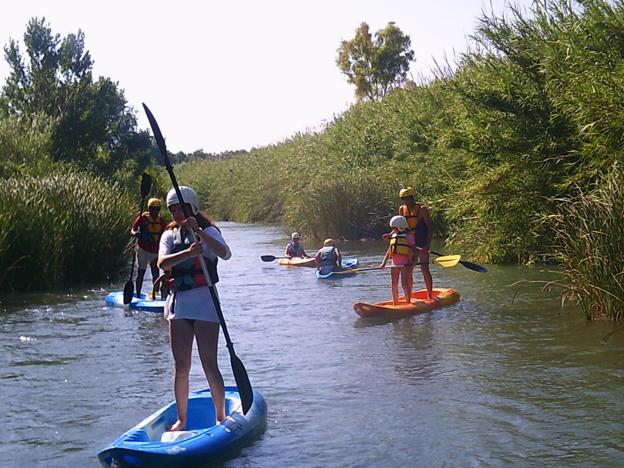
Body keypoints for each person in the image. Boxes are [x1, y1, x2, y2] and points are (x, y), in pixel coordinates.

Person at [158, 186, 232, 431]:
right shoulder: (169, 236)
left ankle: (220, 417)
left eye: (180, 207)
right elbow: (162, 262)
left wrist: (199, 233)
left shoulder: (208, 231)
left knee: (209, 363)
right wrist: (189, 253)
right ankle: (182, 419)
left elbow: (225, 253)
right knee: (182, 366)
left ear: (191, 208)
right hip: (179, 306)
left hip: (205, 304)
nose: (176, 212)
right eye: (173, 209)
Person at [398, 187, 436, 300]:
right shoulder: (401, 209)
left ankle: (430, 295)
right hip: (410, 243)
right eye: (403, 199)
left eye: (408, 198)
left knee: (424, 268)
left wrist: (427, 246)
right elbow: (400, 228)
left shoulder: (422, 209)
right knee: (409, 269)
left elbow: (430, 228)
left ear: (412, 198)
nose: (406, 201)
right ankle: (408, 297)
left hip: (422, 241)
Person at [130, 197, 167, 298]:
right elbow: (132, 230)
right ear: (149, 208)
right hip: (143, 249)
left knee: (155, 273)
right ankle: (137, 294)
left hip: (155, 250)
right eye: (153, 209)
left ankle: (156, 294)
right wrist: (135, 233)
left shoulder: (161, 221)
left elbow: (166, 233)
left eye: (157, 209)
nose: (155, 211)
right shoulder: (142, 219)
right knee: (141, 272)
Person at [379, 216, 414, 305]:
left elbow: (413, 249)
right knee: (394, 283)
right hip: (394, 264)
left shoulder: (409, 237)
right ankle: (395, 303)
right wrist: (383, 262)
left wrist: (411, 261)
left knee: (404, 284)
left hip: (405, 264)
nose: (393, 230)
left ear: (400, 227)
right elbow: (389, 250)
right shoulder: (393, 236)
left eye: (394, 228)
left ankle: (408, 303)